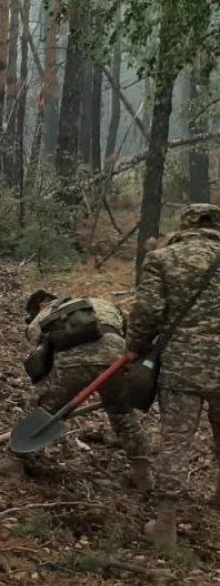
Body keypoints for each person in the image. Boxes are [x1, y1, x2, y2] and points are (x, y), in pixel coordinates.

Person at [125, 203, 220, 547]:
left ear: (184, 226)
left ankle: (165, 525)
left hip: (183, 366)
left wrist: (133, 348)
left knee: (176, 441)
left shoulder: (163, 259)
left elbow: (149, 310)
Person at [0, 291, 151, 488]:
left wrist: (49, 391)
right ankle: (142, 474)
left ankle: (16, 460)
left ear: (39, 306)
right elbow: (135, 331)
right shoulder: (102, 302)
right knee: (123, 415)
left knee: (43, 409)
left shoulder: (42, 316)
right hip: (117, 360)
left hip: (73, 364)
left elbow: (42, 357)